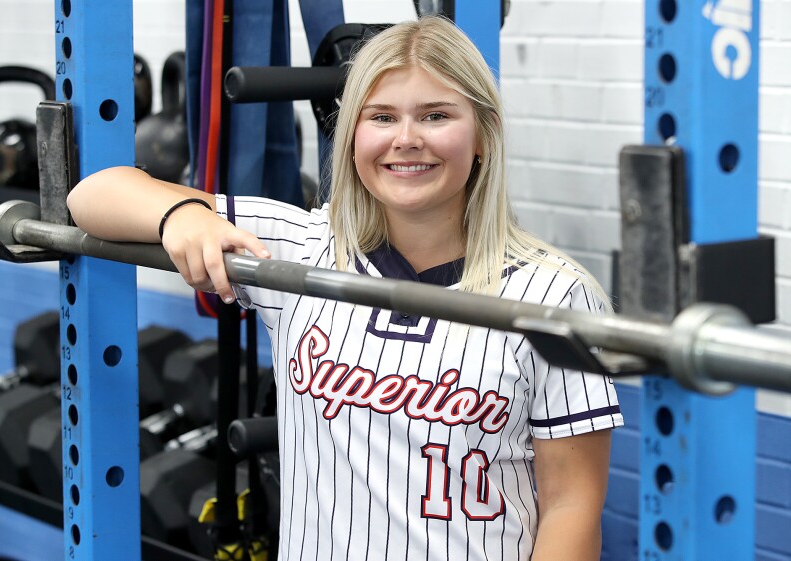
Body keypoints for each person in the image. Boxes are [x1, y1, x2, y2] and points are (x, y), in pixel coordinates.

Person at [68, 16, 623, 561]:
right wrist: (181, 213)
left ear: (483, 135)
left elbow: (571, 506)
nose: (406, 139)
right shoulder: (299, 248)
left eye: (435, 115)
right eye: (381, 117)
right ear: (352, 136)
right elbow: (91, 194)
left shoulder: (557, 295)